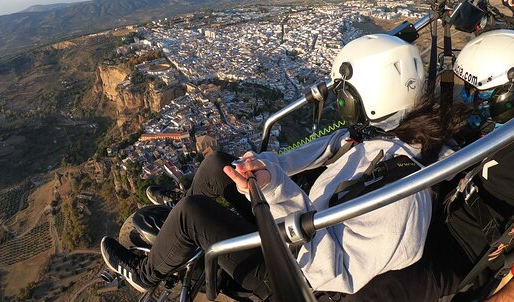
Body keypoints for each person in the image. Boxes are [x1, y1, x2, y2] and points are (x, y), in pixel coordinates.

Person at [99, 34, 468, 298]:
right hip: (298, 226)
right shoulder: (376, 135)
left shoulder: (400, 198)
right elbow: (308, 156)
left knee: (192, 213)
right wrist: (263, 168)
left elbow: (330, 273)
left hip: (295, 275)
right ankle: (184, 248)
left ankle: (145, 276)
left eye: (344, 96)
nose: (339, 103)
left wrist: (277, 190)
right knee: (215, 165)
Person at [354, 29, 514, 302]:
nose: (472, 104)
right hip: (431, 216)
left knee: (368, 293)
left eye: (484, 99)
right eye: (469, 92)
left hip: (457, 256)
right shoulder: (486, 132)